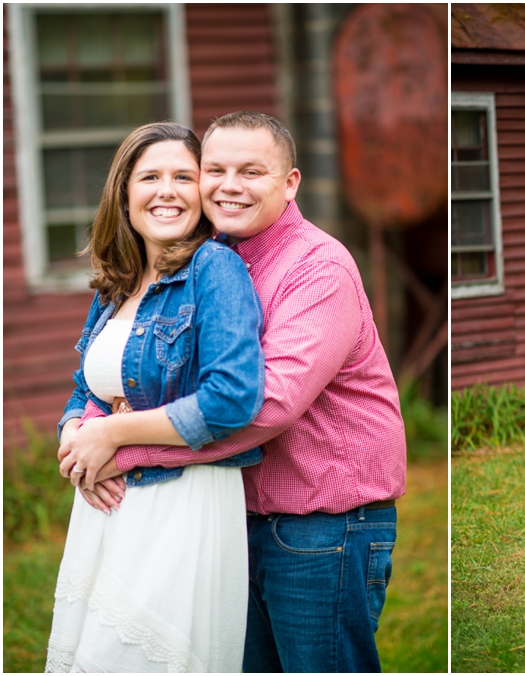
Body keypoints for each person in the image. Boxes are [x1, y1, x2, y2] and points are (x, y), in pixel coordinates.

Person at [67, 111, 408, 673]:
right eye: (215, 169)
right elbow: (128, 372)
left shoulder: (317, 267)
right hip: (225, 515)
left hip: (320, 525)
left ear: (290, 182)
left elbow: (267, 405)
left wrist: (119, 450)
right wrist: (79, 428)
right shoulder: (195, 260)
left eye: (251, 171)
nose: (229, 186)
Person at [48, 122, 266, 672]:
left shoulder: (215, 269)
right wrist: (74, 438)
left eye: (183, 177)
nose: (166, 191)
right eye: (150, 177)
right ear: (124, 193)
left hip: (180, 503)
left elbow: (231, 399)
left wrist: (112, 434)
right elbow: (85, 388)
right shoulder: (117, 283)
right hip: (105, 508)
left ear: (202, 192)